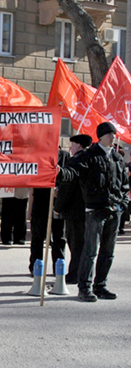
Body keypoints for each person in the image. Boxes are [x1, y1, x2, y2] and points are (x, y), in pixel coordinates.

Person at [58, 123, 129, 302]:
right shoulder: (89, 155)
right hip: (95, 210)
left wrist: (123, 202)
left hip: (114, 210)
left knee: (108, 251)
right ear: (101, 136)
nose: (113, 137)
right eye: (110, 134)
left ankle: (101, 286)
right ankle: (84, 288)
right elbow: (72, 172)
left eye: (114, 134)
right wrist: (60, 173)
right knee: (90, 251)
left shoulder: (116, 157)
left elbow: (123, 183)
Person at [54, 134, 92, 284]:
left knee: (76, 243)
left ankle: (75, 274)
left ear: (79, 145)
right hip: (87, 208)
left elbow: (67, 187)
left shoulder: (76, 160)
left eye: (73, 144)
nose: (70, 147)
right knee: (83, 243)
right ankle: (82, 272)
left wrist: (58, 207)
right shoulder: (91, 159)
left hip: (75, 209)